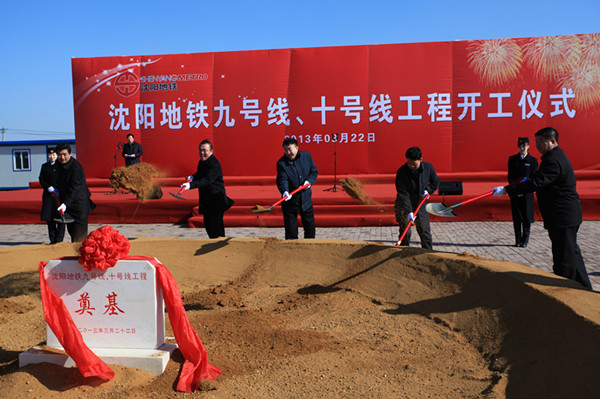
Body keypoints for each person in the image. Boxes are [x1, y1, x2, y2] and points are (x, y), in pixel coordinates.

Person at [494, 127, 592, 290]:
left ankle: (565, 291)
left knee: (564, 258)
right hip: (564, 215)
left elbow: (536, 183)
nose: (538, 145)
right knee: (571, 252)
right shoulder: (553, 156)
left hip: (563, 215)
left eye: (542, 141)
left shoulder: (552, 160)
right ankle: (586, 288)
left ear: (553, 141)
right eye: (537, 141)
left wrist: (507, 190)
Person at [181, 140, 234, 238]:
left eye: (205, 150)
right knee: (208, 225)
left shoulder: (215, 164)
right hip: (206, 200)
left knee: (216, 227)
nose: (202, 153)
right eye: (200, 150)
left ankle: (219, 247)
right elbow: (201, 174)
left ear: (211, 151)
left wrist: (191, 186)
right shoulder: (202, 162)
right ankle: (212, 243)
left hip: (216, 199)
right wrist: (193, 177)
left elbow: (207, 179)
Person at [394, 146, 440, 249]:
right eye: (409, 163)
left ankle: (428, 255)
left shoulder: (428, 167)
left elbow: (436, 181)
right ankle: (402, 254)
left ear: (421, 160)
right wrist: (409, 211)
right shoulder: (402, 172)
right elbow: (403, 193)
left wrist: (428, 190)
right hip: (404, 204)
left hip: (420, 203)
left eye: (413, 164)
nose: (411, 166)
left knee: (425, 232)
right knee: (405, 233)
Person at [276, 137, 319, 240]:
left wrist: (309, 181)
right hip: (291, 202)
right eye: (285, 149)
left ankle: (309, 250)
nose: (288, 152)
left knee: (310, 229)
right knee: (291, 232)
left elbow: (314, 172)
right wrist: (285, 191)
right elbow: (282, 179)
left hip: (306, 200)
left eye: (290, 149)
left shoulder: (306, 156)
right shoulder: (281, 163)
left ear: (297, 148)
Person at [55, 142, 95, 242]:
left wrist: (65, 204)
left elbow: (75, 188)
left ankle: (81, 256)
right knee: (72, 233)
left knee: (79, 238)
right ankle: (75, 256)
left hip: (79, 206)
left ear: (70, 153)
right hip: (69, 207)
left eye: (64, 154)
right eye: (59, 155)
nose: (62, 157)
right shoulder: (58, 165)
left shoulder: (76, 167)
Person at [507, 137, 538, 247]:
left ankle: (525, 240)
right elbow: (510, 177)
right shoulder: (513, 159)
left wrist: (526, 186)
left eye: (524, 146)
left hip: (527, 194)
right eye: (520, 146)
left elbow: (534, 178)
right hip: (515, 193)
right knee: (517, 217)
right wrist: (515, 188)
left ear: (528, 146)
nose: (522, 148)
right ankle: (517, 240)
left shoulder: (533, 161)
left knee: (526, 217)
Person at [38, 146, 65, 244]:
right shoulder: (45, 166)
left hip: (59, 196)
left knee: (61, 219)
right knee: (50, 219)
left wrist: (59, 189)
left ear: (57, 155)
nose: (51, 156)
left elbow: (64, 179)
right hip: (48, 196)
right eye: (50, 154)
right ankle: (52, 240)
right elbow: (41, 179)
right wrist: (48, 187)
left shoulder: (61, 166)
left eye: (53, 154)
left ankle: (59, 240)